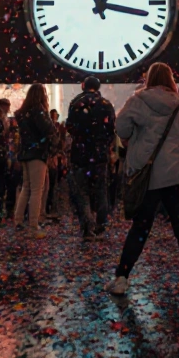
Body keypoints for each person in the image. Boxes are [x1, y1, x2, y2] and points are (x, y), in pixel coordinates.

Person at [109, 63, 179, 298]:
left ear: (148, 79)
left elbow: (121, 127)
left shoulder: (137, 101)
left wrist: (134, 140)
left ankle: (122, 278)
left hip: (147, 178)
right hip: (175, 177)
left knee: (140, 228)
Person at [64, 76, 116, 240]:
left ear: (83, 86)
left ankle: (87, 227)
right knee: (101, 189)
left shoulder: (75, 103)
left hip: (80, 153)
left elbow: (70, 127)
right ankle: (101, 223)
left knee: (82, 191)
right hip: (100, 154)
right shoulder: (106, 105)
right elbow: (111, 130)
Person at [13, 83, 59, 238]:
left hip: (25, 152)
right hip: (37, 153)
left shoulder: (22, 113)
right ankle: (33, 224)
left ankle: (18, 220)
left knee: (26, 187)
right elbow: (49, 129)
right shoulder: (38, 111)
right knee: (37, 190)